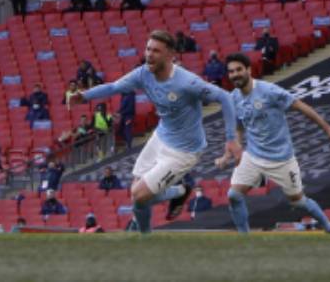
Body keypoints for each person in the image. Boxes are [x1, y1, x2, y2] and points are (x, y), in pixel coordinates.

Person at [81, 30, 240, 234]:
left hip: (184, 151)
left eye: (156, 51)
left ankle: (179, 192)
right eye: (148, 49)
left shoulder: (187, 82)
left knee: (139, 195)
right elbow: (113, 87)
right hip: (161, 136)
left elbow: (226, 98)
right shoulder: (143, 73)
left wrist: (230, 139)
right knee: (136, 192)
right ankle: (148, 235)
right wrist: (84, 96)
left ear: (169, 55)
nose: (149, 54)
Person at [218, 53, 330, 234]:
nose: (235, 74)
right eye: (231, 72)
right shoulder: (233, 98)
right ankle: (244, 240)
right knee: (234, 195)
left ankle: (329, 227)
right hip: (253, 156)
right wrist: (231, 152)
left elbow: (300, 106)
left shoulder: (269, 91)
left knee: (298, 201)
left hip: (281, 158)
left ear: (249, 70)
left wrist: (328, 128)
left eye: (239, 70)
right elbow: (239, 127)